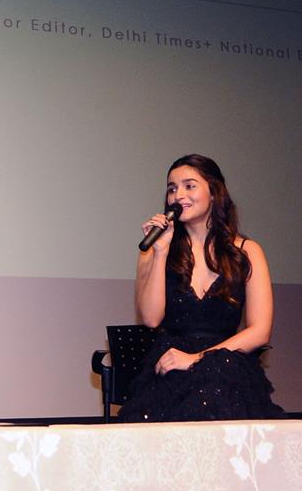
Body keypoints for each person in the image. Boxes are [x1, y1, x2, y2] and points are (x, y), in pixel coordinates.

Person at [118, 154, 284, 422]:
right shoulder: (155, 250)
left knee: (216, 392)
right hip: (171, 365)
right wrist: (160, 253)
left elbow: (260, 331)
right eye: (172, 188)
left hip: (226, 364)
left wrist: (197, 358)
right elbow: (151, 318)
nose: (178, 195)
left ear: (214, 192)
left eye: (189, 185)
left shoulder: (247, 251)